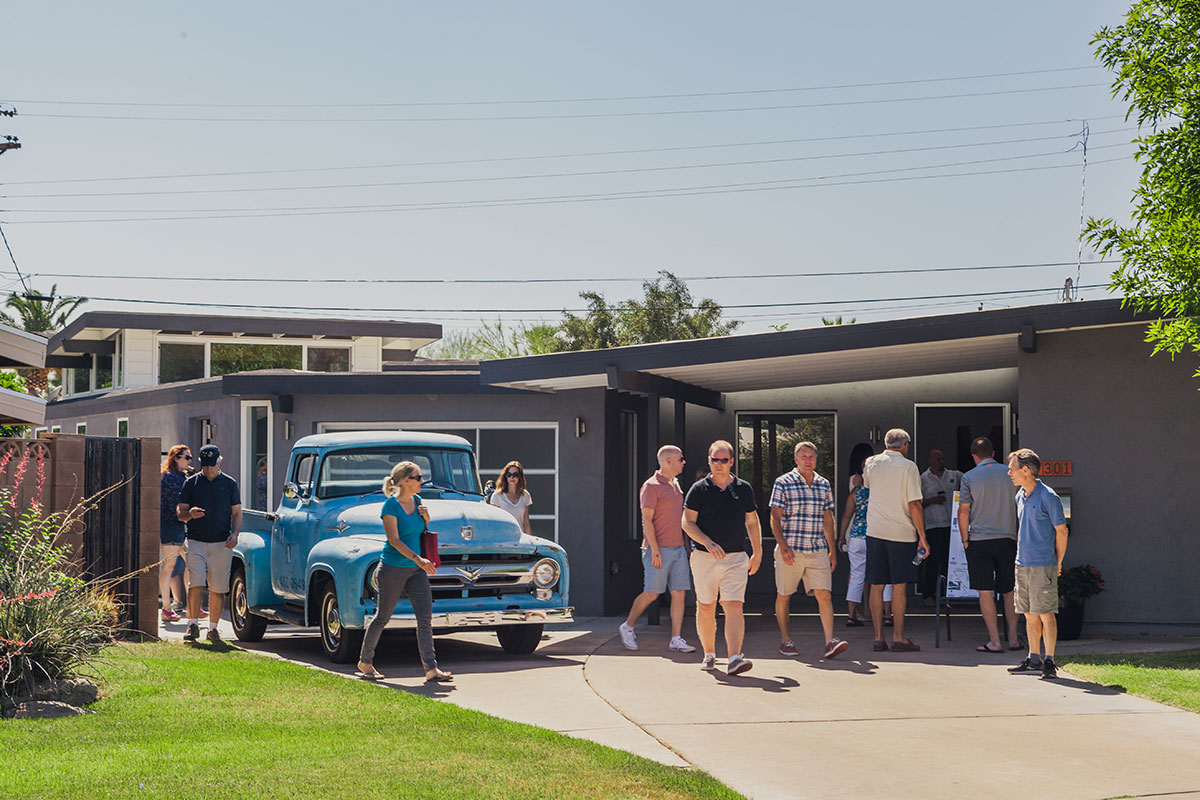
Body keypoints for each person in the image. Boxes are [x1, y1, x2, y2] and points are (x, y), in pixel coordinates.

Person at [357, 461, 452, 682]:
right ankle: (365, 661)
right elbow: (394, 540)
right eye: (418, 478)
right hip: (392, 569)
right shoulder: (390, 506)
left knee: (425, 619)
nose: (422, 481)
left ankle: (431, 669)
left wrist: (426, 517)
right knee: (382, 617)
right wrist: (419, 559)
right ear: (406, 480)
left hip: (415, 571)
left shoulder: (418, 501)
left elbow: (422, 531)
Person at [682, 440, 763, 676]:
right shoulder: (699, 489)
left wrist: (758, 551)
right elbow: (687, 522)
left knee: (734, 606)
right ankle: (709, 654)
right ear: (709, 461)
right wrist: (707, 541)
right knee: (706, 606)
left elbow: (752, 521)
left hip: (736, 557)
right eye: (714, 460)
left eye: (723, 460)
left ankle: (735, 657)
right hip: (704, 557)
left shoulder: (743, 488)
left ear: (732, 462)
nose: (719, 464)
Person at [770, 441, 847, 659]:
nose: (808, 461)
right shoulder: (783, 482)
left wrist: (832, 549)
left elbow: (828, 519)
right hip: (791, 550)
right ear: (795, 459)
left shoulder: (823, 484)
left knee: (824, 594)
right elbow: (774, 517)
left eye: (811, 457)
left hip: (817, 549)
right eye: (803, 457)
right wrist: (783, 547)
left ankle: (830, 641)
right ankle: (786, 640)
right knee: (784, 595)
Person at [618, 445, 696, 654]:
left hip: (678, 548)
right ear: (668, 461)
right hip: (658, 549)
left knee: (679, 593)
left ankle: (676, 639)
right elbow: (646, 519)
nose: (683, 462)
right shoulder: (651, 486)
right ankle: (628, 626)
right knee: (652, 593)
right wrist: (654, 549)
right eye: (681, 459)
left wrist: (686, 544)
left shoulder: (676, 484)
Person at [863, 428, 929, 653]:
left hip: (875, 530)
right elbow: (914, 504)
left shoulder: (871, 463)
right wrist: (922, 536)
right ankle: (898, 637)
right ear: (905, 445)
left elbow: (868, 486)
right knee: (899, 584)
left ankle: (878, 637)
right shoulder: (909, 467)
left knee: (876, 583)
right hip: (901, 532)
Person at [1006, 448, 1069, 680]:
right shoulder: (1019, 496)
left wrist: (1058, 562)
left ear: (1025, 470)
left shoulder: (1048, 497)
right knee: (1029, 614)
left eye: (1012, 469)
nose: (1009, 473)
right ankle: (1033, 658)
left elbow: (1062, 531)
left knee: (1046, 613)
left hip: (1043, 564)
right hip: (1022, 563)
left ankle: (1049, 661)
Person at [957, 437, 1020, 654]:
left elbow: (963, 511)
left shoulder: (969, 477)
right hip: (1008, 538)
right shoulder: (1010, 473)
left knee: (985, 591)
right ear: (994, 453)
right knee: (1009, 591)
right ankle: (1013, 639)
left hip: (980, 541)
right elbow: (1020, 505)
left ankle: (994, 641)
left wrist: (965, 539)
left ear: (974, 455)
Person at [177, 444, 241, 645]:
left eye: (211, 465)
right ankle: (193, 624)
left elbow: (237, 512)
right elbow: (180, 514)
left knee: (218, 588)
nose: (208, 469)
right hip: (195, 541)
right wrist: (190, 514)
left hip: (222, 543)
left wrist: (236, 533)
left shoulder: (230, 484)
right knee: (196, 583)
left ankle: (213, 629)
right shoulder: (191, 483)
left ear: (219, 462)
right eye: (205, 465)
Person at [838, 443, 891, 627]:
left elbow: (846, 515)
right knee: (884, 576)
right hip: (878, 535)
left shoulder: (856, 492)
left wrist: (841, 536)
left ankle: (852, 615)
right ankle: (887, 614)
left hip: (857, 537)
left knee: (856, 576)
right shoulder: (883, 491)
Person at [919, 449, 962, 602]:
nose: (941, 462)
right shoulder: (923, 478)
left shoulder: (954, 475)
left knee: (949, 560)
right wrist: (932, 500)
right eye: (937, 459)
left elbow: (969, 483)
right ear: (930, 460)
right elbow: (916, 503)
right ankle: (928, 594)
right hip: (933, 525)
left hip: (952, 525)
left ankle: (947, 594)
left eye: (942, 459)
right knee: (933, 560)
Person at [159, 444, 191, 623]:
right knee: (168, 566)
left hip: (181, 527)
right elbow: (174, 505)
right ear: (176, 458)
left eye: (190, 458)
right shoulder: (169, 478)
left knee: (192, 562)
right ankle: (166, 608)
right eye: (186, 457)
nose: (189, 461)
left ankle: (190, 604)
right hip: (171, 525)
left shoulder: (183, 476)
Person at [490, 460, 532, 534]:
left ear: (520, 477)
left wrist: (531, 540)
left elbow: (526, 520)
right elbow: (494, 521)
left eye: (515, 475)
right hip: (504, 537)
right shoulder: (497, 495)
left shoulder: (525, 495)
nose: (512, 477)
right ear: (505, 477)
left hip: (521, 537)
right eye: (509, 474)